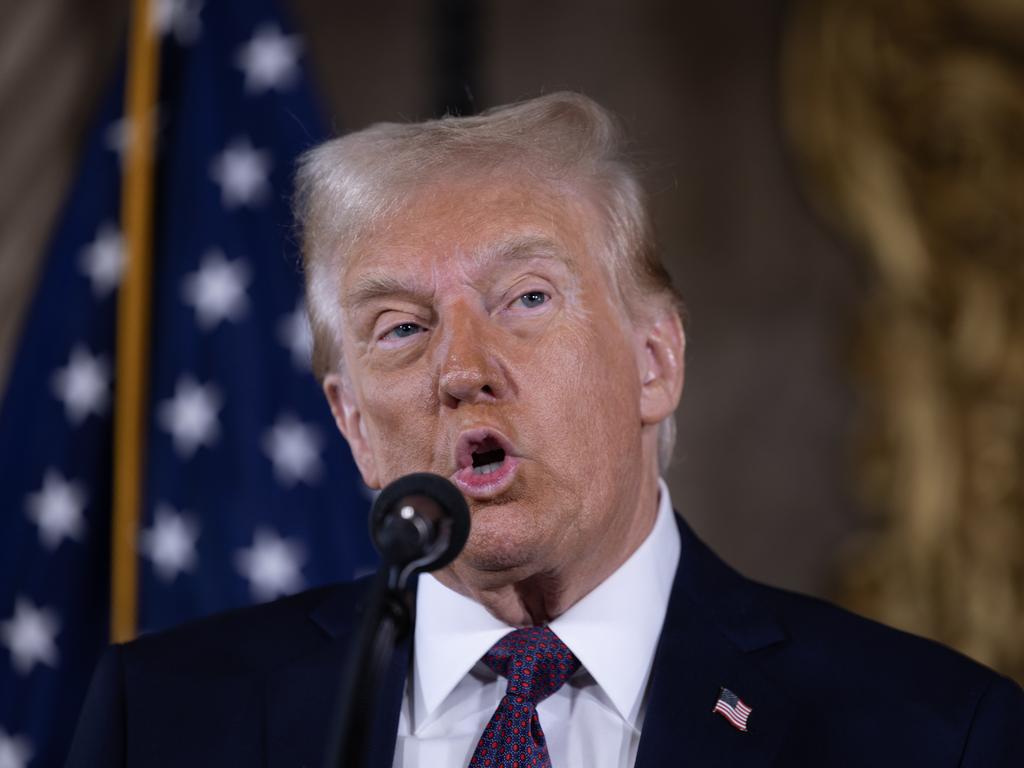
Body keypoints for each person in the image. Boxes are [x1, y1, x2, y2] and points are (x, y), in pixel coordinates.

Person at [67, 92, 1022, 767]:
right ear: (353, 424)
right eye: (400, 327)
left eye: (525, 298)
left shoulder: (935, 735)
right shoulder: (160, 724)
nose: (462, 367)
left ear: (655, 362)